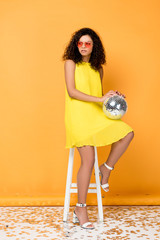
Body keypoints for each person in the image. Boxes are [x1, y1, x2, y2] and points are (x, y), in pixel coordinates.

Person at [62, 27, 134, 229]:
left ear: (94, 46)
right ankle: (80, 208)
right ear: (75, 45)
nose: (83, 46)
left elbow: (98, 99)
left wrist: (111, 97)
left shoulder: (98, 69)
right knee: (88, 159)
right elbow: (73, 91)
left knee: (127, 133)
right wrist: (99, 98)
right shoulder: (70, 64)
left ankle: (106, 169)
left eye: (88, 43)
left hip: (96, 116)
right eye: (80, 43)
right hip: (78, 118)